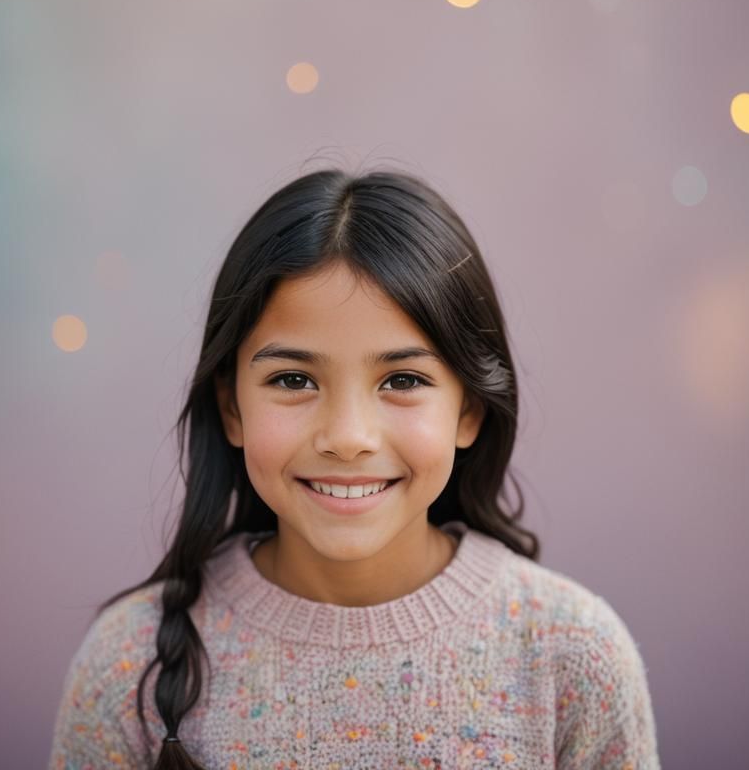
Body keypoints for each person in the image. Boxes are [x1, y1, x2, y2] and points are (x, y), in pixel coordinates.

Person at [47, 165, 661, 769]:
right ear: (232, 408)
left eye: (402, 380)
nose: (347, 438)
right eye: (293, 379)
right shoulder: (128, 668)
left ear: (468, 410)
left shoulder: (574, 658)